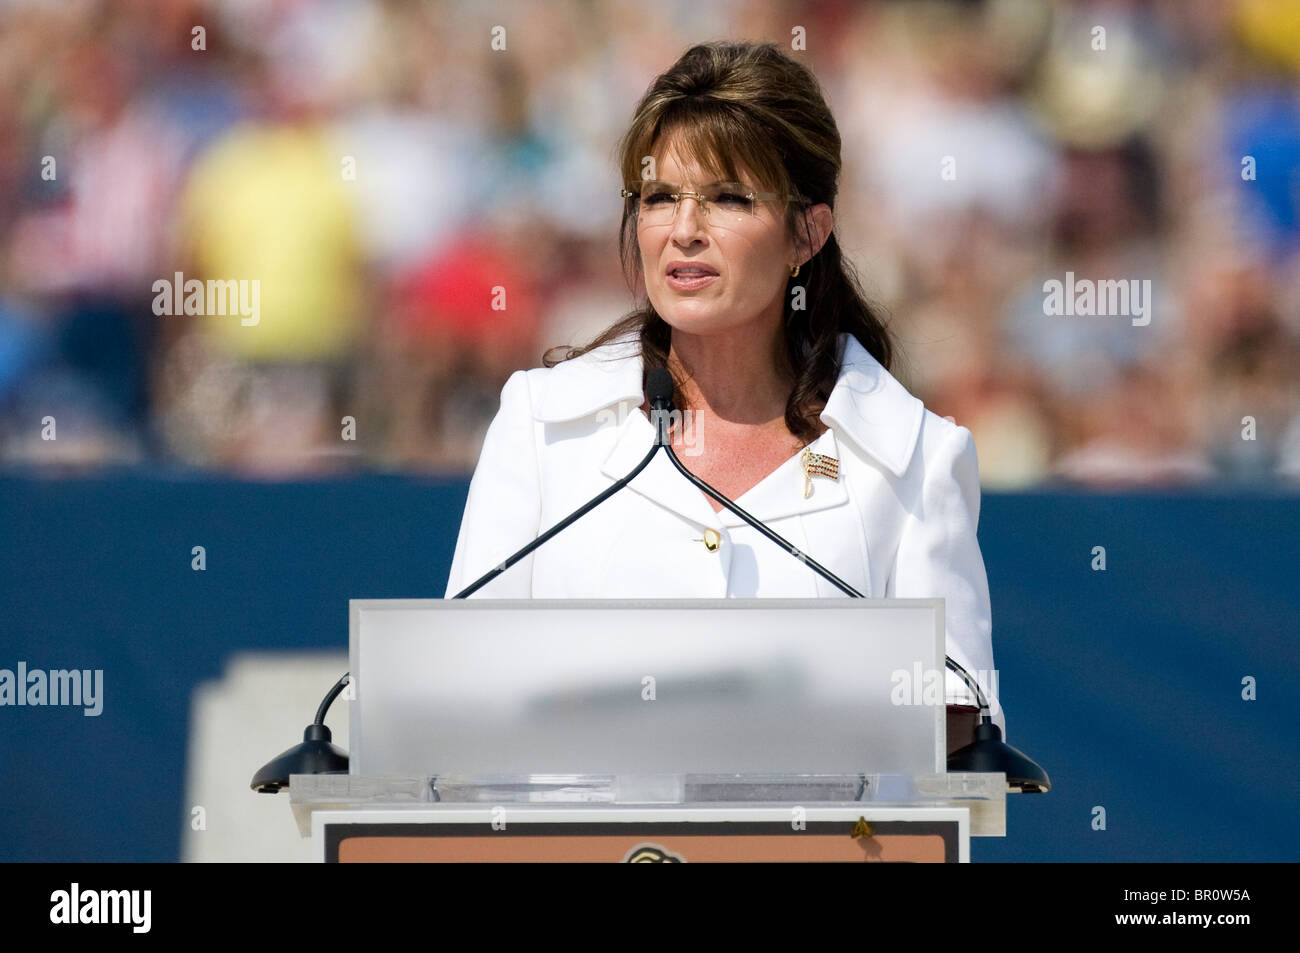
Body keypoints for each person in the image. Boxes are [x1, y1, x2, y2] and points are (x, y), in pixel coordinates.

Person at [444, 41, 1004, 746]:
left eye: (727, 199)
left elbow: (958, 742)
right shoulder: (542, 425)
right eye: (659, 198)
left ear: (807, 231)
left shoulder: (914, 458)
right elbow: (459, 704)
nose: (683, 231)